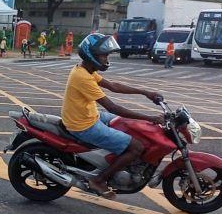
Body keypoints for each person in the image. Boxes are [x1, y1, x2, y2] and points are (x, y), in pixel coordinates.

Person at [61, 33, 165, 199]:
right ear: (91, 55)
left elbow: (113, 86)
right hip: (83, 126)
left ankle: (117, 162)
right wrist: (151, 118)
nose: (106, 58)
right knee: (136, 147)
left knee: (129, 125)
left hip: (90, 115)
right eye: (103, 55)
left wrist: (145, 92)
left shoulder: (86, 70)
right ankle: (99, 180)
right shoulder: (83, 77)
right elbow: (112, 107)